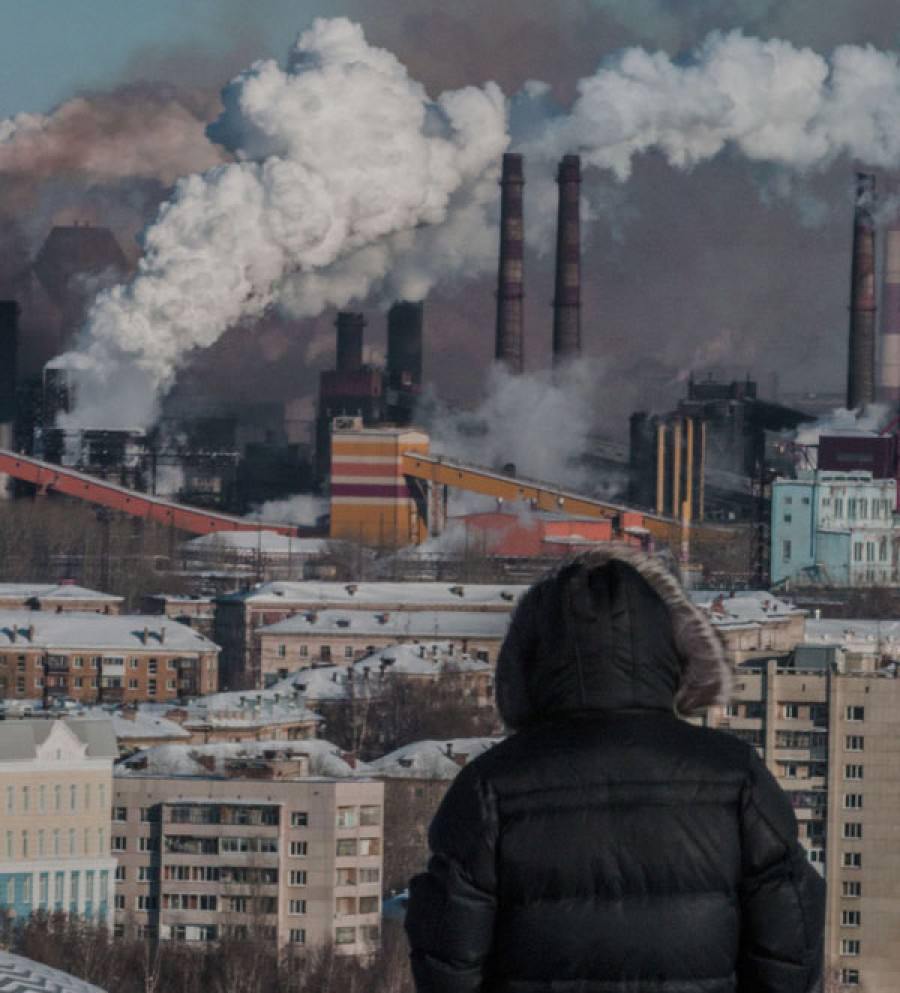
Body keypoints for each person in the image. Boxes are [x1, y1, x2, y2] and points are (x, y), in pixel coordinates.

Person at [406, 545, 825, 993]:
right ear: (669, 655)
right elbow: (790, 941)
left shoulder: (490, 787)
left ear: (527, 663)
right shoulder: (735, 775)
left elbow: (447, 961)